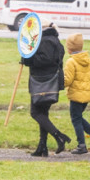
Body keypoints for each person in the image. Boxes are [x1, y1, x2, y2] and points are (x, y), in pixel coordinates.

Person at [22, 23, 69, 156]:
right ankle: (42, 147)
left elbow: (45, 60)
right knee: (43, 113)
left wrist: (28, 58)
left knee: (35, 113)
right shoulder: (54, 39)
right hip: (50, 81)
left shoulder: (45, 40)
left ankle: (59, 136)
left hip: (42, 81)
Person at [62, 33, 90, 155]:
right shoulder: (87, 59)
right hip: (87, 95)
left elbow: (67, 80)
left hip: (76, 95)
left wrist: (59, 82)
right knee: (78, 117)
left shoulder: (71, 61)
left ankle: (82, 145)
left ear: (69, 48)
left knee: (75, 119)